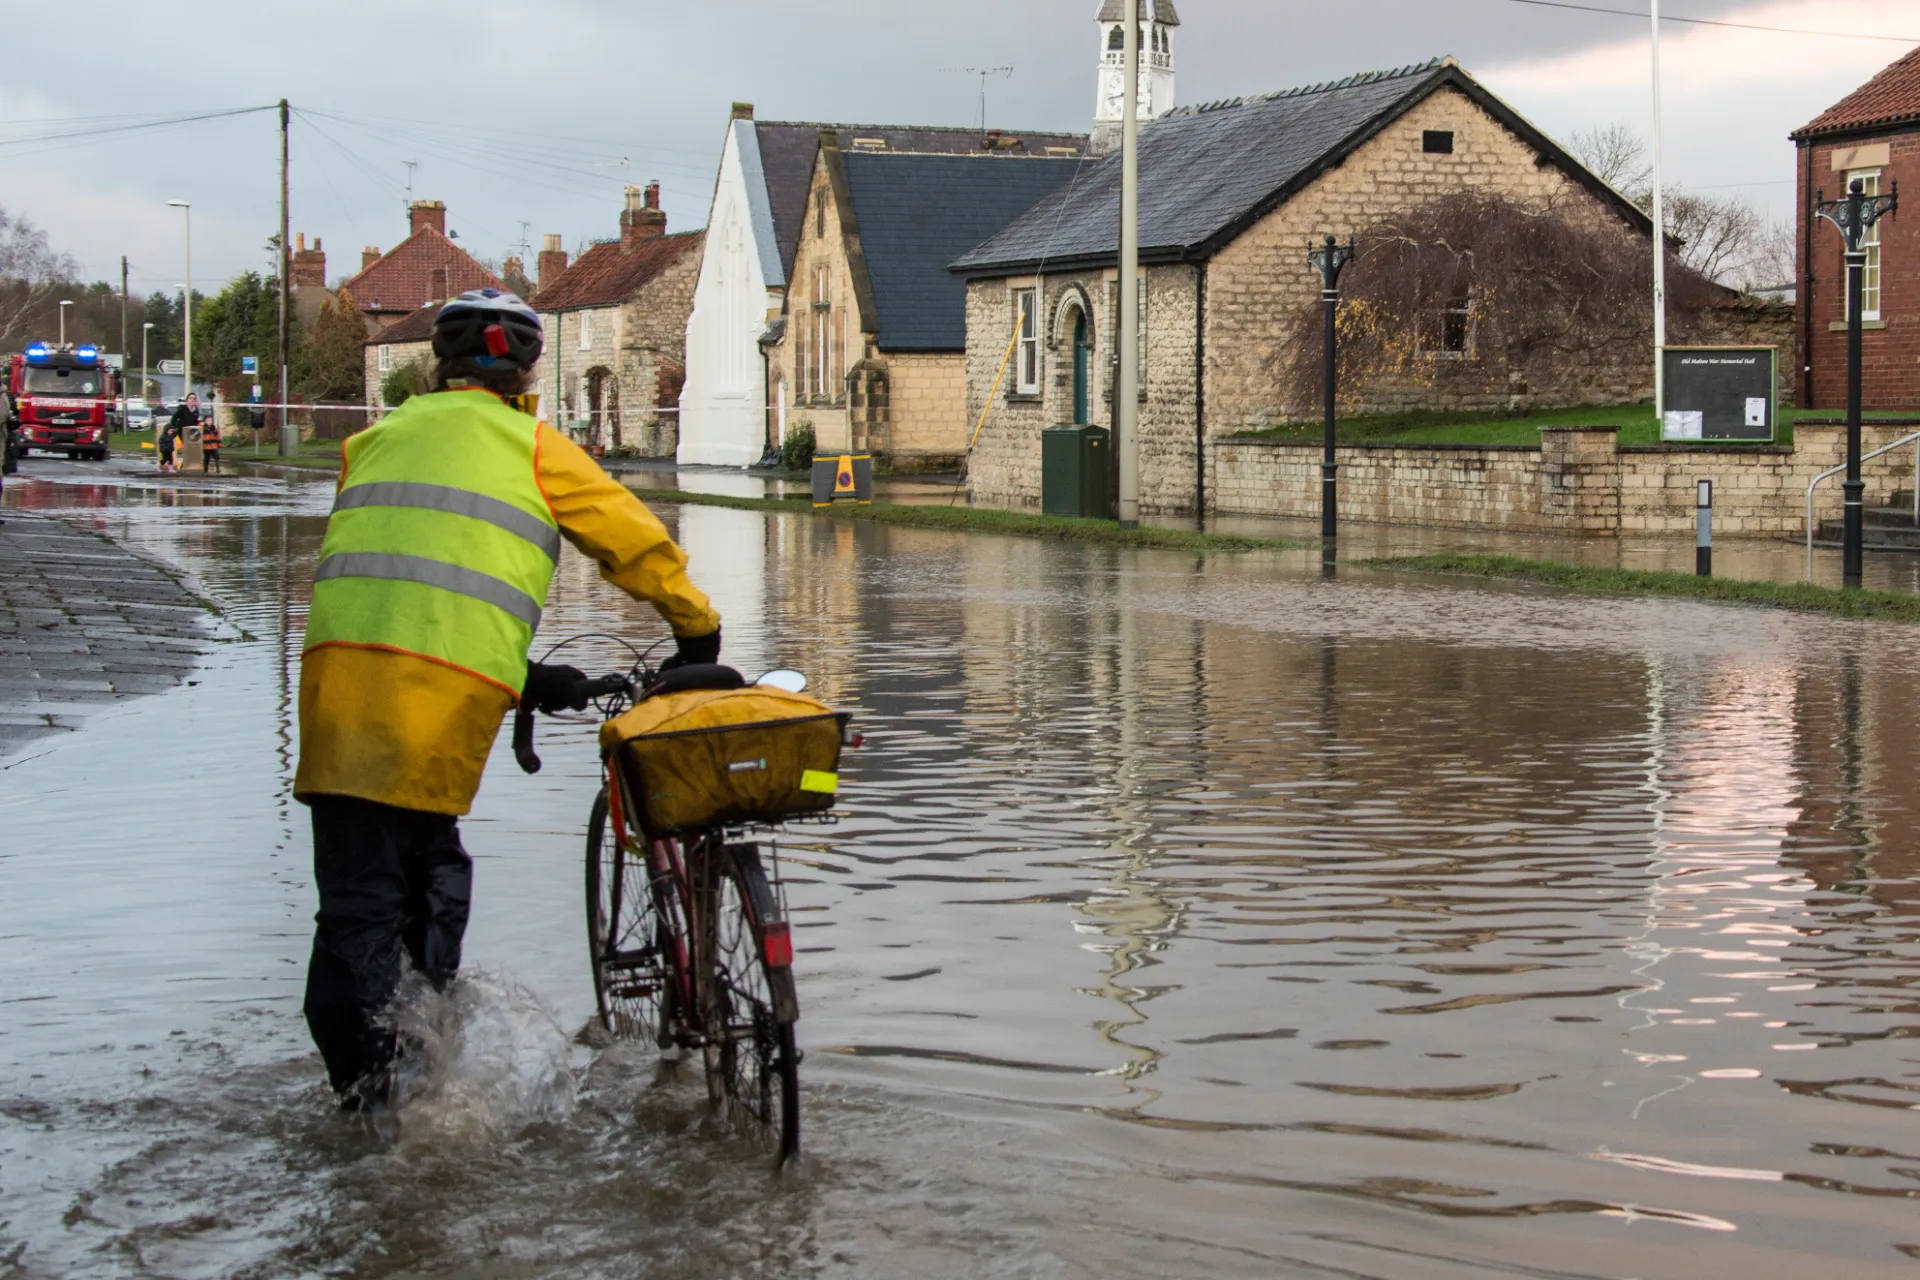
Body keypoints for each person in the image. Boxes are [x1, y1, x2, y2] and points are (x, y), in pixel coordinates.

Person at [294, 289, 722, 1112]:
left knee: (358, 896)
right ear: (526, 371)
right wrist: (697, 634)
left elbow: (406, 580)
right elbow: (633, 541)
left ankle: (371, 1091)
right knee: (424, 881)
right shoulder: (533, 447)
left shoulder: (370, 443)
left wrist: (521, 676)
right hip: (438, 702)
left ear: (436, 367)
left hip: (335, 690)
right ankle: (409, 1079)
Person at [161, 394, 197, 474]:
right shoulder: (182, 408)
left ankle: (184, 466)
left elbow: (196, 420)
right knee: (187, 449)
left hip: (192, 433)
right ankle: (168, 465)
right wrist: (173, 427)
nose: (192, 400)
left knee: (191, 450)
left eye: (194, 398)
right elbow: (174, 417)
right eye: (190, 398)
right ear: (187, 399)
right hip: (182, 431)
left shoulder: (195, 410)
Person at [201, 409, 222, 474]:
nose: (209, 422)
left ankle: (218, 468)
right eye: (208, 420)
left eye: (210, 420)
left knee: (216, 456)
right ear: (205, 421)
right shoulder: (203, 428)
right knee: (206, 459)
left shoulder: (214, 428)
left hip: (213, 445)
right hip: (206, 446)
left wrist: (219, 444)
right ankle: (205, 470)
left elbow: (217, 437)